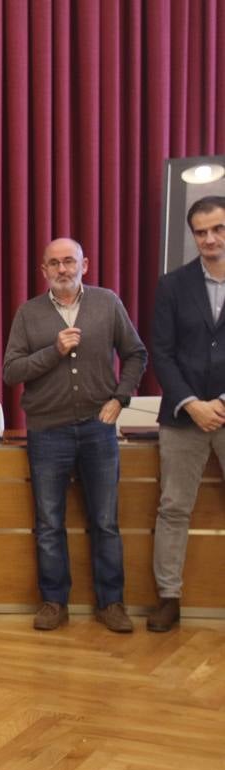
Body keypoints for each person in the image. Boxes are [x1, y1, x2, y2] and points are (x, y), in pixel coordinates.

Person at [2, 238, 146, 632]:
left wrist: (121, 399)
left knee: (105, 521)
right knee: (49, 522)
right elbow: (11, 372)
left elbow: (136, 354)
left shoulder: (107, 302)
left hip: (99, 430)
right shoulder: (29, 314)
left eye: (69, 261)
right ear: (43, 271)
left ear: (85, 264)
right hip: (47, 432)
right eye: (54, 263)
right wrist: (54, 350)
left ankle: (111, 603)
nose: (62, 269)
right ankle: (53, 602)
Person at [149, 195, 225, 632]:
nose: (209, 239)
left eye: (217, 229)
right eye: (201, 232)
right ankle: (168, 598)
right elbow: (161, 351)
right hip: (183, 414)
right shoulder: (173, 285)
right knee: (174, 507)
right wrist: (193, 403)